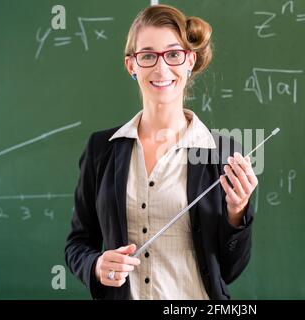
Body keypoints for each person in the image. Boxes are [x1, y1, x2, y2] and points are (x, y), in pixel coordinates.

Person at [65, 4, 258, 300]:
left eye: (173, 54)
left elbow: (230, 270)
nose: (161, 68)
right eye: (147, 56)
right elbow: (78, 244)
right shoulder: (101, 150)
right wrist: (96, 265)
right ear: (132, 65)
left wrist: (237, 213)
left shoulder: (224, 153)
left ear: (189, 60)